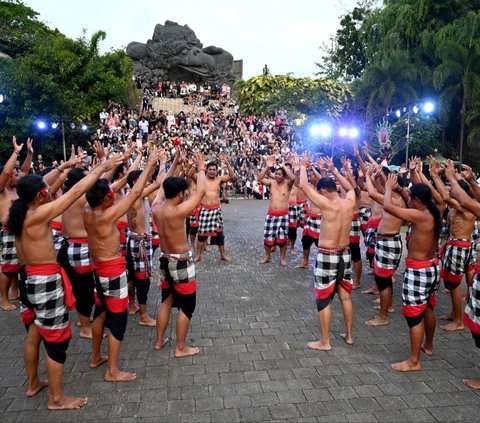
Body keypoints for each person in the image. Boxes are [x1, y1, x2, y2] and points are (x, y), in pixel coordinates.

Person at [7, 154, 120, 409]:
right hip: (43, 280)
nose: (50, 191)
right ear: (40, 196)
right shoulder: (37, 214)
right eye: (46, 190)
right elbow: (75, 192)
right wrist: (101, 167)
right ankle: (57, 399)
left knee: (35, 333)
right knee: (56, 341)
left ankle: (33, 383)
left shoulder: (21, 208)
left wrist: (65, 167)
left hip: (28, 278)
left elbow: (43, 184)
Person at [84, 150, 158, 382]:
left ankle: (96, 356)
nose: (113, 195)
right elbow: (135, 192)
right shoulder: (106, 216)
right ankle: (112, 371)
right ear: (106, 199)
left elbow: (108, 188)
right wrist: (150, 164)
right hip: (112, 271)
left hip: (99, 269)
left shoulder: (88, 211)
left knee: (100, 312)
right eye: (110, 194)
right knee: (117, 320)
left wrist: (111, 166)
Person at [382, 174, 442, 371]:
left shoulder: (419, 214)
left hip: (419, 270)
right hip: (432, 266)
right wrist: (400, 189)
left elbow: (388, 207)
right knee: (428, 308)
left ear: (417, 201)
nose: (408, 199)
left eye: (410, 198)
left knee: (414, 315)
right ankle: (429, 346)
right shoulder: (434, 210)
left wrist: (389, 188)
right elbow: (410, 196)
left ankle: (414, 361)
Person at [299, 155, 356, 350]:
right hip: (345, 253)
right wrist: (335, 170)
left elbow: (304, 187)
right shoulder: (348, 202)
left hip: (328, 254)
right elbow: (350, 188)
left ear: (323, 191)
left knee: (323, 298)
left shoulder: (326, 203)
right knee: (345, 296)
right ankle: (349, 335)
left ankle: (325, 341)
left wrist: (303, 166)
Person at [152, 152, 206, 357]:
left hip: (165, 259)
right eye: (183, 192)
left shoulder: (157, 208)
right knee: (187, 305)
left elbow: (163, 184)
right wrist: (200, 167)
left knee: (167, 299)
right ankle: (180, 347)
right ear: (180, 194)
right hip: (181, 262)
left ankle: (159, 341)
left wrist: (174, 162)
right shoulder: (179, 211)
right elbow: (200, 192)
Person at [429, 157, 476, 331]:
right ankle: (453, 314)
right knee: (452, 283)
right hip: (456, 246)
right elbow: (443, 196)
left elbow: (445, 197)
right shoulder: (458, 207)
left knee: (453, 284)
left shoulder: (466, 206)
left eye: (454, 190)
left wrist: (436, 176)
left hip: (460, 247)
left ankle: (458, 320)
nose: (451, 192)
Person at [125, 151, 167, 327]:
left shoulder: (129, 194)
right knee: (143, 278)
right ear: (137, 182)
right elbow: (160, 183)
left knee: (133, 276)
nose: (146, 181)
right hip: (141, 241)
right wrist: (163, 162)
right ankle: (143, 315)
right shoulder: (137, 194)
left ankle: (132, 305)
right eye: (143, 179)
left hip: (133, 238)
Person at [364, 165, 405, 326]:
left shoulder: (394, 200)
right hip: (388, 242)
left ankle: (382, 317)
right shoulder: (394, 198)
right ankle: (388, 308)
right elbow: (379, 189)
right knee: (385, 279)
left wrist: (367, 175)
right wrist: (378, 175)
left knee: (382, 281)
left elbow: (372, 193)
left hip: (388, 243)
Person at [0, 136, 33, 311]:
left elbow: (25, 172)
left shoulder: (16, 188)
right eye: (14, 174)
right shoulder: (2, 190)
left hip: (21, 230)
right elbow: (6, 173)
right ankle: (4, 298)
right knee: (8, 267)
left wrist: (29, 154)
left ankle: (14, 291)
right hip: (9, 231)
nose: (16, 176)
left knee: (19, 263)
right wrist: (15, 152)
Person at [194, 153, 234, 262]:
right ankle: (198, 255)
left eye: (214, 169)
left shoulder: (219, 179)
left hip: (216, 210)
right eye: (210, 169)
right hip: (205, 209)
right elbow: (189, 175)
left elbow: (232, 176)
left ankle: (222, 255)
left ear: (217, 170)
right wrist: (197, 166)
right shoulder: (201, 178)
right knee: (202, 234)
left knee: (220, 234)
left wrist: (227, 163)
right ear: (206, 170)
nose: (212, 171)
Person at [258, 156, 295, 266]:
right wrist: (267, 167)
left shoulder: (288, 185)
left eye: (280, 174)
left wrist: (284, 166)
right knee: (267, 237)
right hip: (271, 215)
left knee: (282, 239)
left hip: (283, 215)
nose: (277, 176)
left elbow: (292, 178)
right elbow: (259, 178)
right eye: (276, 174)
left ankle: (282, 258)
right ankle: (267, 256)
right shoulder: (272, 183)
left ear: (284, 176)